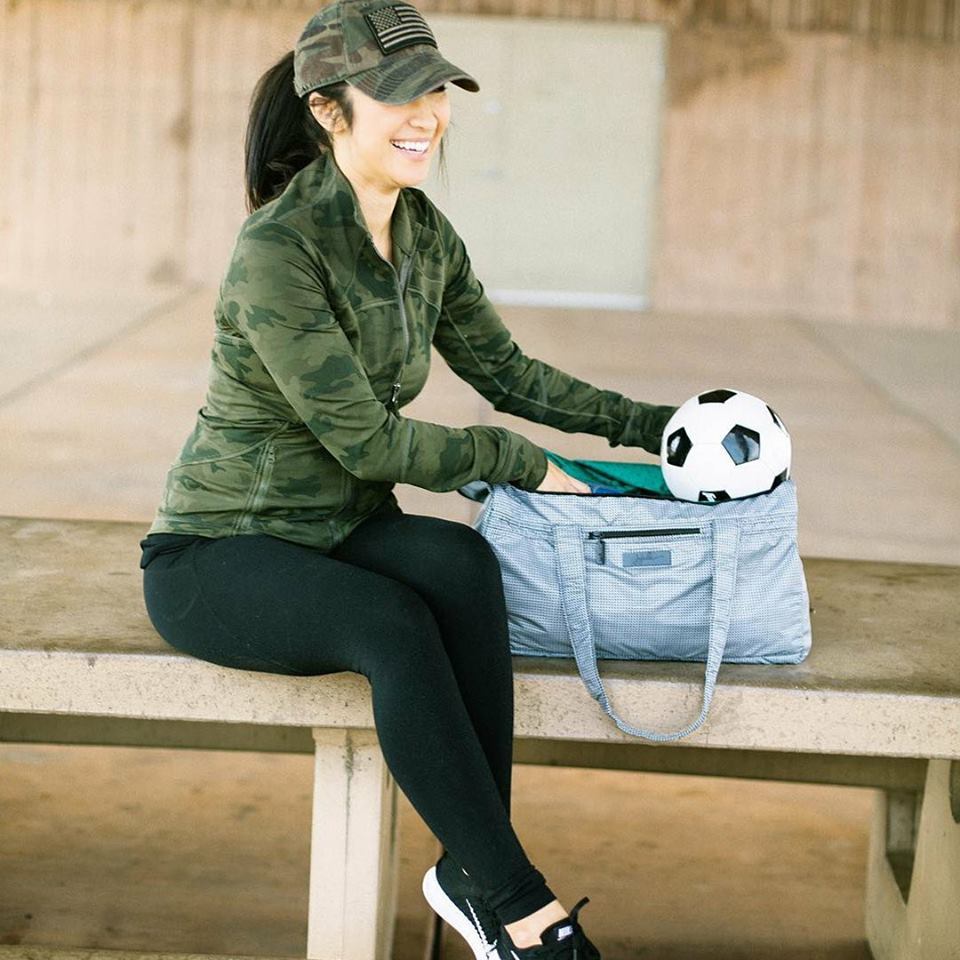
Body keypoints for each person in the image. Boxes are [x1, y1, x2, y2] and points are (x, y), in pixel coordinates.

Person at [139, 1, 676, 956]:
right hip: (221, 549)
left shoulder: (424, 235)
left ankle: (472, 873)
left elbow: (510, 374)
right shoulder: (279, 251)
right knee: (390, 623)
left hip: (343, 528)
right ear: (328, 110)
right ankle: (522, 911)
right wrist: (518, 461)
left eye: (435, 88)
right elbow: (369, 444)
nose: (425, 112)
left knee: (463, 567)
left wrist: (664, 430)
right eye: (395, 93)